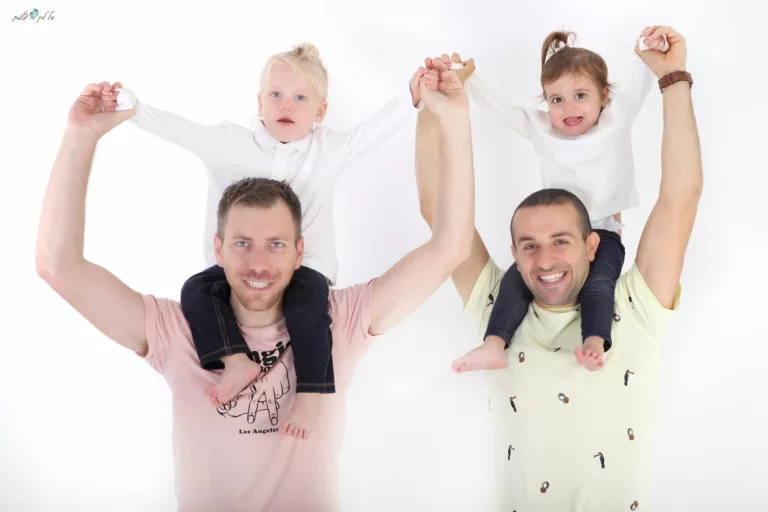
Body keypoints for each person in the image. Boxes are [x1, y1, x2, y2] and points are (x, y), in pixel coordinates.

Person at [36, 59, 473, 511]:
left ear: (300, 252)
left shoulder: (336, 321)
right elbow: (57, 265)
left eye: (276, 244)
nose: (259, 264)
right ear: (218, 248)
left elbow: (451, 247)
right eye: (243, 243)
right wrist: (80, 135)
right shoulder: (178, 329)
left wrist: (456, 119)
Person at [416, 26, 700, 510]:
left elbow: (680, 197)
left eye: (561, 241)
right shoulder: (497, 307)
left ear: (592, 245)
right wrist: (433, 105)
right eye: (528, 246)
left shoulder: (635, 307)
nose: (544, 259)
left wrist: (672, 78)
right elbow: (436, 208)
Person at [99, 43, 428, 438]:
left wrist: (411, 97)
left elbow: (372, 131)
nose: (286, 105)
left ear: (320, 111)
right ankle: (236, 361)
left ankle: (311, 394)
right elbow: (180, 131)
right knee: (196, 292)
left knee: (309, 313)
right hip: (235, 268)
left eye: (300, 98)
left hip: (307, 266)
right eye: (276, 94)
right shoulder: (230, 143)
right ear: (259, 102)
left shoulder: (328, 149)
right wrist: (133, 107)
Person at [446, 29, 668, 374]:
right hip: (555, 234)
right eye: (556, 100)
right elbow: (500, 109)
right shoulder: (541, 128)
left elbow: (641, 83)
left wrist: (649, 51)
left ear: (604, 96)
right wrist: (468, 79)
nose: (569, 108)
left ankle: (594, 340)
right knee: (517, 278)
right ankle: (494, 344)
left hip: (603, 232)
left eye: (580, 95)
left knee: (599, 283)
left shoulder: (616, 118)